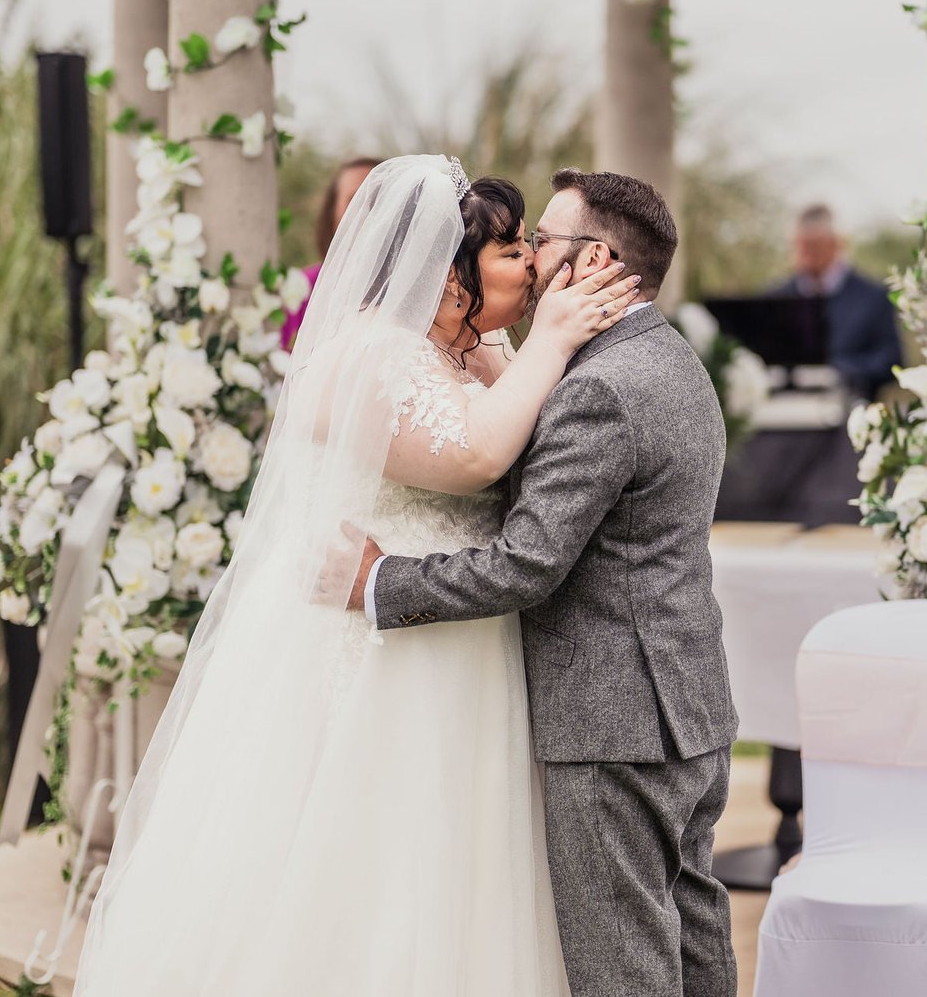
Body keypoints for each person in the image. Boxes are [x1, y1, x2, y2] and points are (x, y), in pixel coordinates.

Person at [73, 156, 640, 995]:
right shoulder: (364, 358)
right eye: (512, 249)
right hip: (376, 656)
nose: (531, 263)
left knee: (465, 870)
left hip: (466, 648)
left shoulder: (477, 354)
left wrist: (549, 342)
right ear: (450, 280)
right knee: (368, 870)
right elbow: (480, 453)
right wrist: (554, 336)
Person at [339, 168, 739, 997]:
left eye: (540, 242)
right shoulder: (669, 358)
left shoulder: (597, 388)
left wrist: (383, 584)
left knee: (623, 967)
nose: (526, 260)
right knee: (693, 936)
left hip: (614, 723)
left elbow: (528, 562)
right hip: (689, 709)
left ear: (591, 261)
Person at [764, 203, 901, 402]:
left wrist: (839, 371)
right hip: (785, 417)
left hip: (852, 415)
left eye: (813, 246)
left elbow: (891, 360)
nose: (805, 253)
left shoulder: (873, 297)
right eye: (800, 245)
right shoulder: (774, 299)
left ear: (836, 244)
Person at [279, 156, 382, 349]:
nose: (366, 208)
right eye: (355, 199)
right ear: (333, 211)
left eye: (378, 198)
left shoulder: (415, 290)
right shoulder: (302, 287)